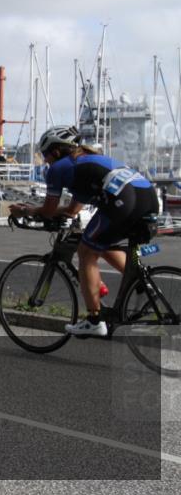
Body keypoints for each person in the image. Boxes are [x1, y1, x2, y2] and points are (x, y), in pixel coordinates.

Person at [10, 126, 158, 337]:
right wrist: (47, 212)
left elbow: (49, 210)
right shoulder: (85, 163)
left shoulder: (59, 168)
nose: (45, 161)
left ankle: (94, 319)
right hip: (147, 198)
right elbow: (71, 210)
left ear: (56, 151)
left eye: (45, 155)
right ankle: (143, 283)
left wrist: (25, 210)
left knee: (86, 252)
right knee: (100, 243)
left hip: (124, 201)